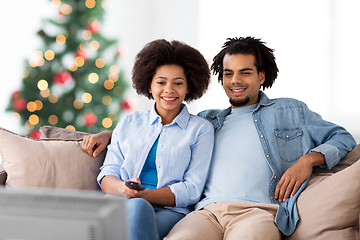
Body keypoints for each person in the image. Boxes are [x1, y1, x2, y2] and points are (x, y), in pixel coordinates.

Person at [83, 37, 356, 239]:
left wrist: (307, 160)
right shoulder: (208, 120)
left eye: (245, 72)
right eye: (228, 74)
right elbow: (165, 124)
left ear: (261, 76)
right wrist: (111, 134)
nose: (235, 80)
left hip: (258, 212)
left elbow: (342, 137)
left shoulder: (290, 110)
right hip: (207, 213)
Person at [82, 39, 214, 240]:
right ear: (149, 86)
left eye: (178, 83)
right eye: (161, 82)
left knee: (137, 211)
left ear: (189, 87)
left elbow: (192, 189)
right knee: (135, 210)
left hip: (170, 212)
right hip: (121, 204)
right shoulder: (129, 122)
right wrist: (124, 189)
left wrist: (144, 196)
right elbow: (108, 172)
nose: (169, 90)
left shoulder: (201, 129)